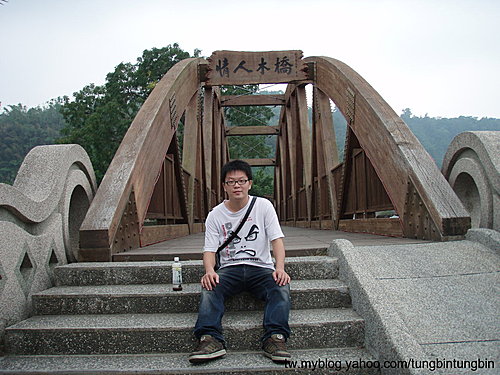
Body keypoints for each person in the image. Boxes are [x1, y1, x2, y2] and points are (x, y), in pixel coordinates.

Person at [189, 160, 291, 364]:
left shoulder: (263, 206)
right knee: (210, 286)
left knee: (281, 285)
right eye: (231, 181)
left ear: (249, 184)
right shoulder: (215, 214)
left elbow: (276, 240)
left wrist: (280, 268)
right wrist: (209, 270)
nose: (237, 185)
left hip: (261, 267)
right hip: (230, 269)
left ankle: (275, 338)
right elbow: (209, 249)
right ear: (224, 186)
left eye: (241, 181)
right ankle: (209, 338)